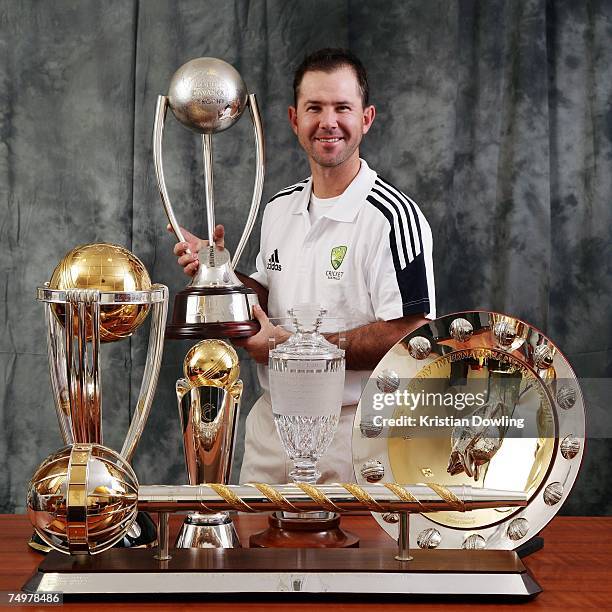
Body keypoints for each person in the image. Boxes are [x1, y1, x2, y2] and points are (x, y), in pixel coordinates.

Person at [171, 48, 435, 483]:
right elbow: (268, 300)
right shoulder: (279, 208)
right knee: (254, 548)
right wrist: (218, 271)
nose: (328, 121)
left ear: (366, 119)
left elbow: (414, 336)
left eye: (342, 108)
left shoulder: (391, 217)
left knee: (352, 554)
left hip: (354, 431)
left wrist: (293, 350)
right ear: (295, 120)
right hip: (272, 430)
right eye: (315, 108)